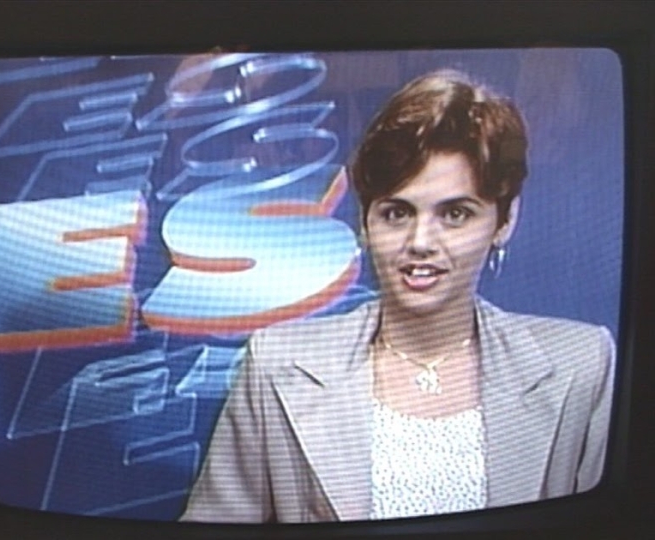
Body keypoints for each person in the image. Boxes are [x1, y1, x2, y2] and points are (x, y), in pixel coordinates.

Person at [180, 69, 615, 523]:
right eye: (396, 213)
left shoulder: (581, 366)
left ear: (504, 221)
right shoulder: (277, 362)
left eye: (455, 214)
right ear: (364, 222)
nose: (420, 242)